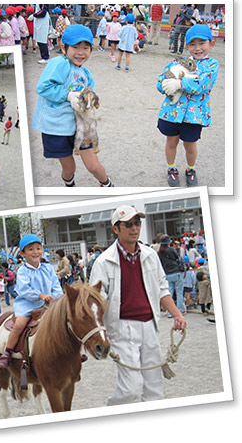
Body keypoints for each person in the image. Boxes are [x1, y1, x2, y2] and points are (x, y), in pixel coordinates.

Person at [89, 205, 186, 405]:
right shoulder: (103, 262)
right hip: (122, 328)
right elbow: (97, 300)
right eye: (128, 225)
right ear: (116, 229)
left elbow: (162, 288)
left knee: (154, 389)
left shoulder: (150, 255)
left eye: (137, 223)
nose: (134, 228)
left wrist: (177, 314)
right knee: (131, 388)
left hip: (150, 325)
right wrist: (99, 332)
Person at [31, 24, 114, 188]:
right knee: (70, 168)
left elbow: (88, 95)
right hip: (57, 127)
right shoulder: (58, 64)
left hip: (80, 126)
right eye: (75, 47)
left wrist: (89, 101)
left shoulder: (86, 74)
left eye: (85, 47)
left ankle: (108, 186)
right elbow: (43, 87)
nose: (81, 52)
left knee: (94, 166)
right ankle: (69, 184)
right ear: (64, 47)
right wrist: (68, 96)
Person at [158, 24, 219, 187]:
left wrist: (180, 83)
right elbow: (160, 81)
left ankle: (190, 169)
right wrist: (165, 83)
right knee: (171, 141)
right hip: (172, 112)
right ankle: (171, 168)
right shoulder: (178, 62)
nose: (197, 48)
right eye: (192, 44)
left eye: (202, 43)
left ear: (211, 44)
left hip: (194, 116)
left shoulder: (212, 65)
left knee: (190, 145)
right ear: (187, 46)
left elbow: (203, 84)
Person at [0, 234, 62, 368]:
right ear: (22, 253)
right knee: (19, 324)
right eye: (30, 249)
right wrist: (40, 295)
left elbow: (56, 286)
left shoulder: (48, 268)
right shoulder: (22, 271)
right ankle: (8, 352)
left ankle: (70, 350)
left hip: (48, 304)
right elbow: (24, 290)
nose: (35, 252)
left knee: (64, 320)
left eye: (38, 248)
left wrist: (57, 297)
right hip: (27, 304)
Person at [157, 234, 185, 315]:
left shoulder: (159, 252)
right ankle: (180, 311)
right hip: (176, 272)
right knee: (179, 292)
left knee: (169, 293)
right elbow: (177, 257)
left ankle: (169, 312)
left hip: (167, 274)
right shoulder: (171, 249)